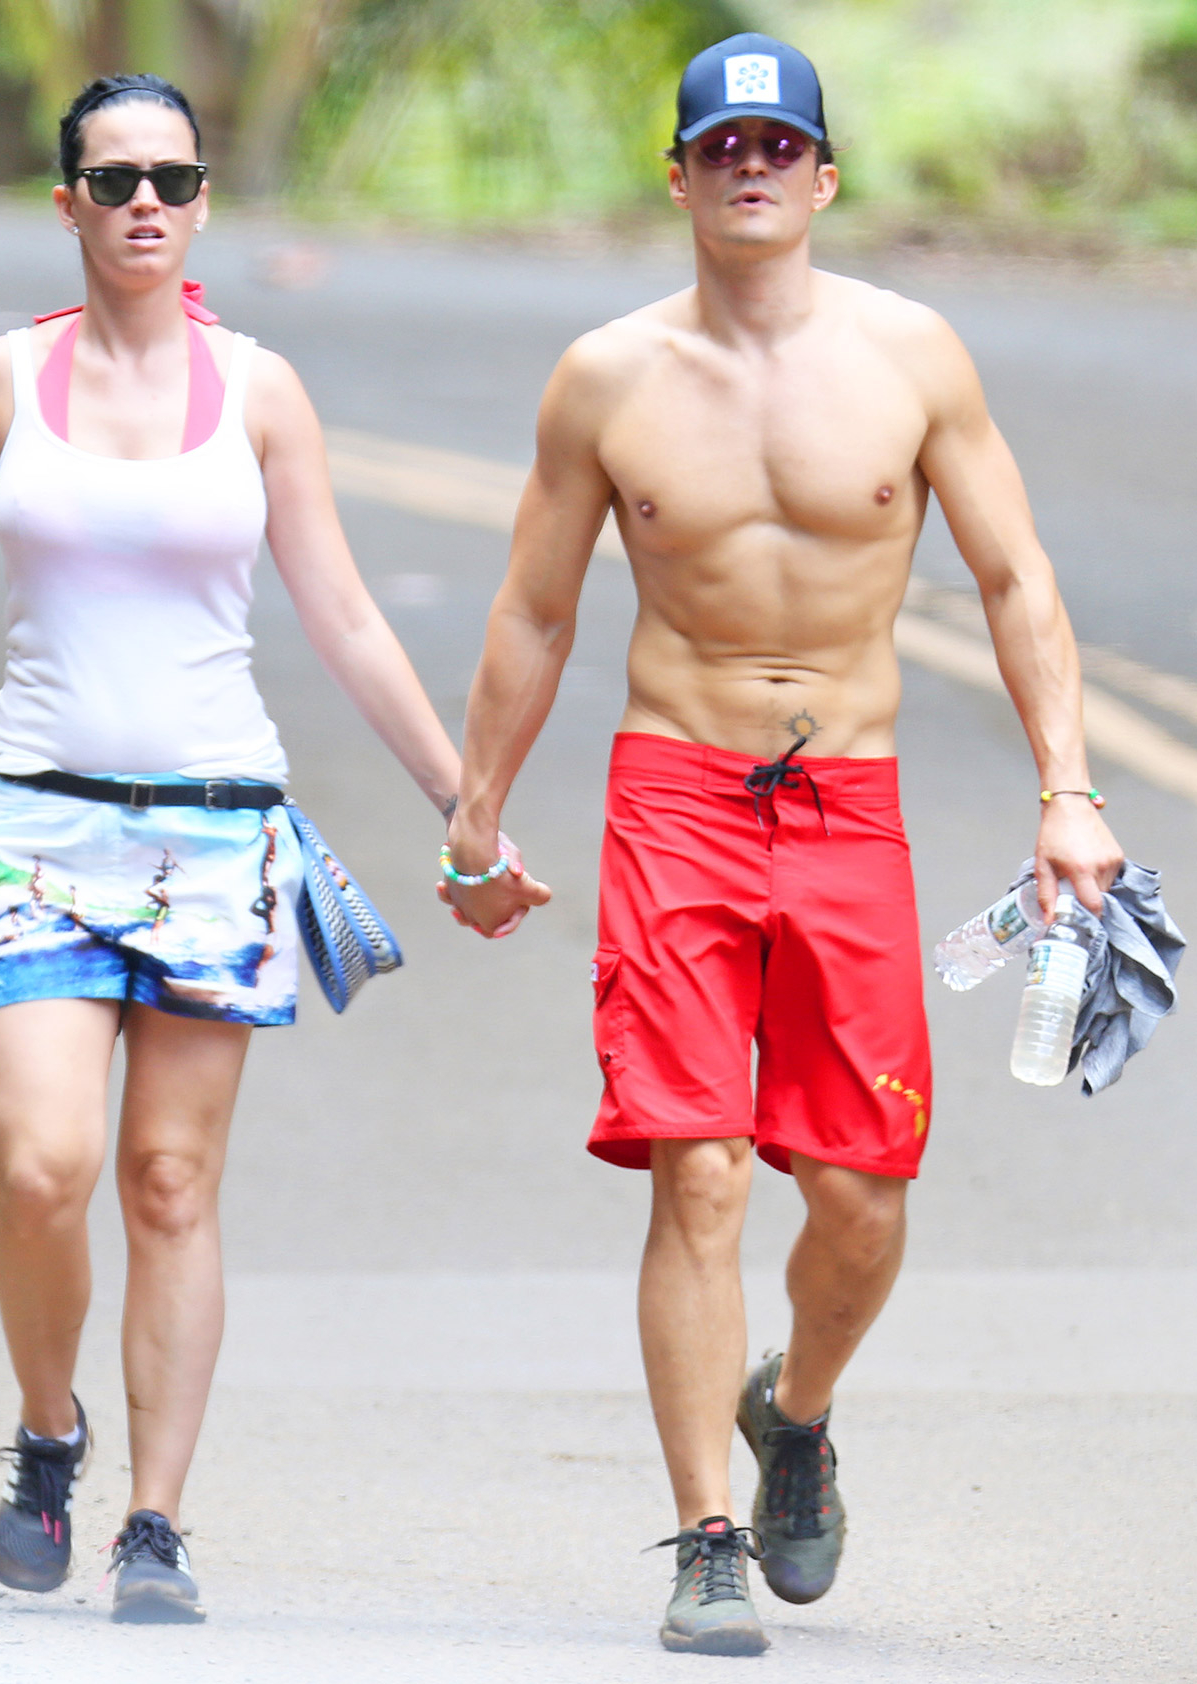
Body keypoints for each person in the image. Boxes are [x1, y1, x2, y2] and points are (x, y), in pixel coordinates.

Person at [438, 32, 1122, 1657]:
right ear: (677, 177)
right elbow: (538, 607)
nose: (748, 166)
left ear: (822, 177)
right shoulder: (607, 376)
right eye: (718, 145)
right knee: (701, 1164)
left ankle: (794, 1412)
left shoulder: (914, 357)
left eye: (777, 144)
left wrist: (1067, 787)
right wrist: (476, 813)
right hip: (676, 791)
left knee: (868, 1194)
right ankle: (700, 1540)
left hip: (849, 807)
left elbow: (1018, 581)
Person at [0, 73, 469, 1624]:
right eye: (112, 180)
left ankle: (156, 1522)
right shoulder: (1, 382)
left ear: (201, 208)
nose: (143, 205)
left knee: (171, 1183)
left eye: (171, 181)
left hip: (213, 835)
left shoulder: (259, 390)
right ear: (66, 205)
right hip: (37, 823)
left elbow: (346, 615)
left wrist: (468, 801)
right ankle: (50, 1433)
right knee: (44, 1166)